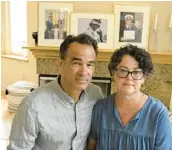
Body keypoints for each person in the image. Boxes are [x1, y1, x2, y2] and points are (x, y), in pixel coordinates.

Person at [7, 33, 104, 150]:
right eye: (77, 63)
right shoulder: (32, 106)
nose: (84, 72)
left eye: (89, 65)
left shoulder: (96, 94)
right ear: (59, 64)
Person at [88, 44, 172, 150]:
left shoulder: (158, 114)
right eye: (123, 70)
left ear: (144, 77)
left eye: (136, 72)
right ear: (113, 73)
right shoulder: (100, 109)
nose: (129, 78)